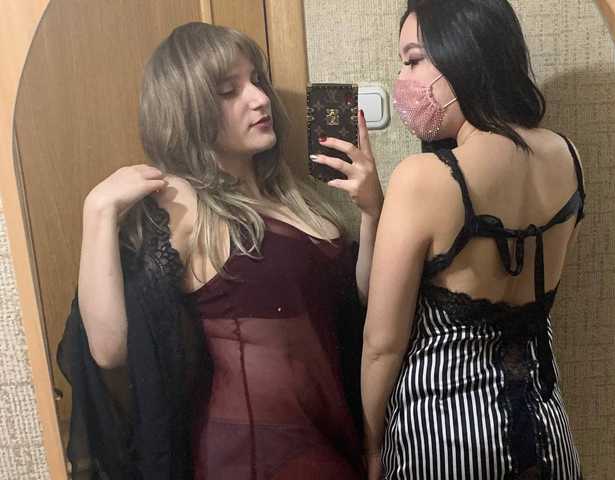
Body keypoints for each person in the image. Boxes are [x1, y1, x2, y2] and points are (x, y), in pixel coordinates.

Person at [58, 22, 383, 479]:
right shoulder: (182, 200)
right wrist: (97, 211)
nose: (260, 98)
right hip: (254, 451)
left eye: (257, 80)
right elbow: (110, 350)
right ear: (186, 111)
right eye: (229, 91)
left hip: (327, 433)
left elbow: (360, 300)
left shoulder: (295, 196)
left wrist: (371, 212)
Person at [361, 1, 584, 479]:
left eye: (413, 60)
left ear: (463, 53)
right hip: (547, 431)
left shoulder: (423, 178)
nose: (403, 79)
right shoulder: (568, 155)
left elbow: (382, 345)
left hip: (445, 440)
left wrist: (372, 445)